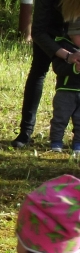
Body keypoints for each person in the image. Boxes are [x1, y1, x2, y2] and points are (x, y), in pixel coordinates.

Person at [13, 0, 80, 148]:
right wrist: (66, 55)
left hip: (73, 22)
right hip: (49, 25)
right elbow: (38, 31)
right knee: (39, 70)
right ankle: (25, 132)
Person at [49, 17, 80, 152]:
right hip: (65, 90)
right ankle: (56, 141)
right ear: (71, 34)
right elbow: (58, 68)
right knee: (60, 118)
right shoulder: (63, 47)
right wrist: (74, 68)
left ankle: (78, 143)